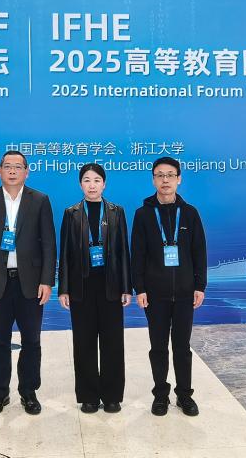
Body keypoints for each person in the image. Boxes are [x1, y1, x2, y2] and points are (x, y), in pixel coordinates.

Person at [0, 150, 56, 416]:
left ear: (26, 172)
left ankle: (29, 393)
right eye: (7, 166)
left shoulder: (40, 200)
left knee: (31, 340)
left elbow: (49, 244)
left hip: (30, 283)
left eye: (18, 167)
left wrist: (47, 281)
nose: (12, 171)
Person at [130, 156, 207, 417]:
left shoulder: (190, 213)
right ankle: (160, 395)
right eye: (160, 175)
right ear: (153, 180)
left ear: (179, 179)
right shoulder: (143, 214)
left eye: (170, 175)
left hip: (185, 293)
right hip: (155, 295)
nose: (165, 180)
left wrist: (200, 285)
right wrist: (140, 288)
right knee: (158, 348)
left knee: (182, 347)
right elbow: (137, 255)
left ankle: (184, 395)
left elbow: (199, 252)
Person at [58, 163, 131, 414]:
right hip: (81, 286)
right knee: (84, 342)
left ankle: (112, 396)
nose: (92, 185)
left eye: (97, 180)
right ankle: (88, 396)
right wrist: (64, 288)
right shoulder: (71, 213)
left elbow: (123, 251)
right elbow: (64, 253)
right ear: (80, 184)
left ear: (104, 184)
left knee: (113, 343)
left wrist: (126, 287)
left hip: (111, 285)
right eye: (87, 180)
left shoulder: (116, 212)